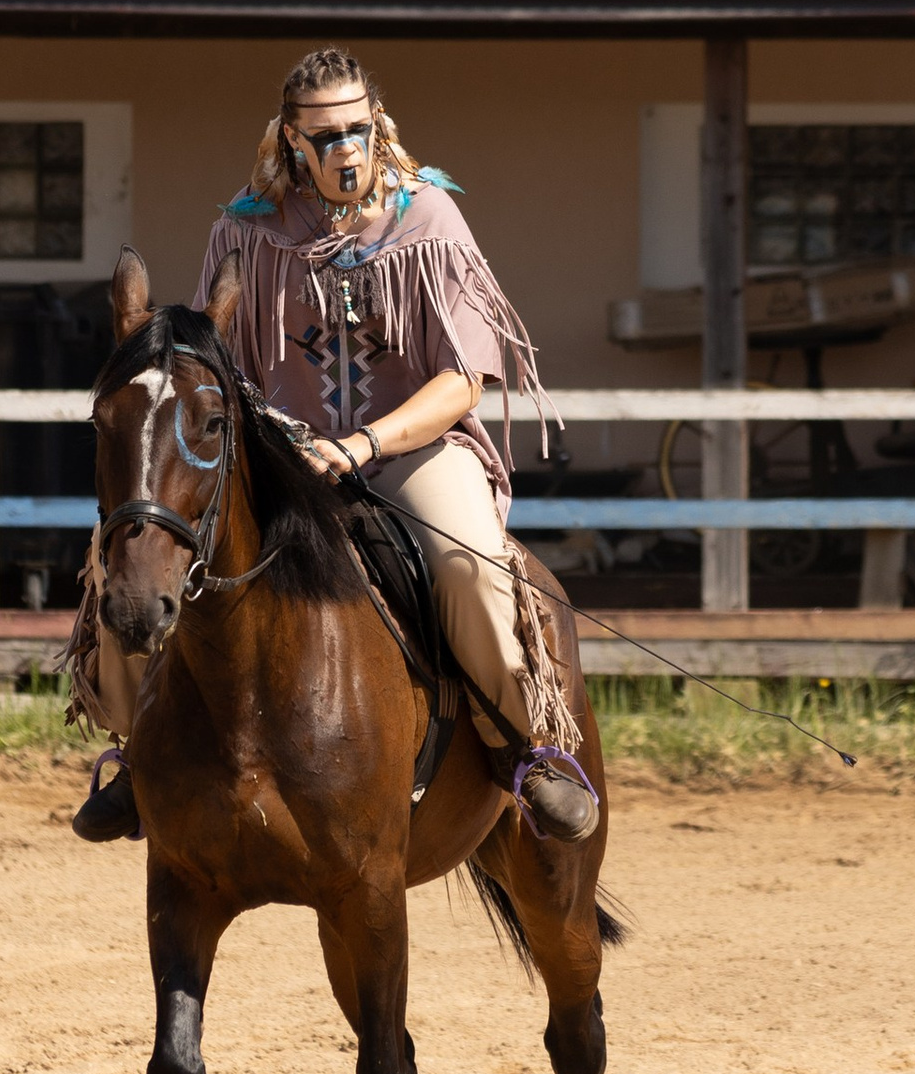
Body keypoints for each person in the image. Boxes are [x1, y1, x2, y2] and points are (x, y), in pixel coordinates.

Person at [73, 46, 598, 843]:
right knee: (136, 550)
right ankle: (141, 754)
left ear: (378, 124)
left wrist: (362, 445)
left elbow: (463, 381)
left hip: (415, 450)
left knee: (465, 562)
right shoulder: (245, 233)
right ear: (291, 142)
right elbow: (211, 371)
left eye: (357, 130)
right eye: (324, 138)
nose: (346, 150)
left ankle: (523, 750)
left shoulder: (429, 221)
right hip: (284, 459)